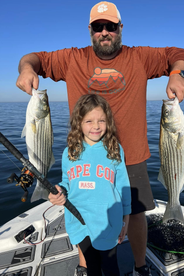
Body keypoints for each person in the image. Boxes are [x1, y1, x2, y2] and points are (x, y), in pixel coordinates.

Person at [16, 1, 184, 276]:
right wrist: (26, 69)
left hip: (131, 155)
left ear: (120, 28)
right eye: (99, 27)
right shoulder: (72, 58)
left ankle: (140, 266)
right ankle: (85, 267)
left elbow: (178, 53)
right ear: (90, 30)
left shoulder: (140, 57)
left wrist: (176, 72)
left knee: (135, 213)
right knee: (81, 210)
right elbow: (33, 58)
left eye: (110, 26)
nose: (104, 32)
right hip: (84, 154)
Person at [48, 94, 131, 276]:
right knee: (91, 266)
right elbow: (66, 182)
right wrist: (59, 191)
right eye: (89, 121)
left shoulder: (114, 149)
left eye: (101, 120)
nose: (96, 126)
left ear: (108, 121)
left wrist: (126, 218)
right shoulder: (69, 152)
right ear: (78, 123)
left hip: (107, 222)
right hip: (79, 221)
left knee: (110, 267)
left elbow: (123, 186)